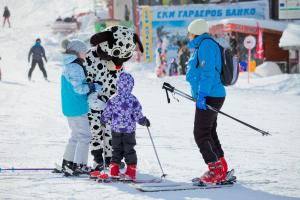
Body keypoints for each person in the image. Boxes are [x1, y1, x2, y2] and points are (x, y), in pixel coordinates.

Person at [186, 19, 228, 184]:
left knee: (201, 133)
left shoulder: (206, 45)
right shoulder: (202, 45)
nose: (189, 35)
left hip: (210, 94)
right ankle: (221, 167)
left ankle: (215, 170)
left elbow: (208, 72)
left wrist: (202, 94)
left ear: (195, 31)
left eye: (190, 32)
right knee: (209, 132)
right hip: (211, 94)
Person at [58, 39, 101, 176]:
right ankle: (80, 165)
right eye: (84, 52)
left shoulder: (69, 65)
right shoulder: (75, 67)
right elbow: (79, 89)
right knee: (84, 136)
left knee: (76, 136)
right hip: (77, 106)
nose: (86, 54)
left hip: (71, 106)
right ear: (77, 52)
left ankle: (68, 162)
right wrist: (93, 86)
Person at [100, 72, 150, 180]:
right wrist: (143, 120)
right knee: (129, 149)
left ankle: (114, 171)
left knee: (116, 149)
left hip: (116, 129)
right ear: (131, 85)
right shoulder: (133, 99)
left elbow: (107, 111)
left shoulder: (113, 98)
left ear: (118, 84)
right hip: (129, 130)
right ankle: (131, 172)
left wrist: (103, 119)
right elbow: (137, 114)